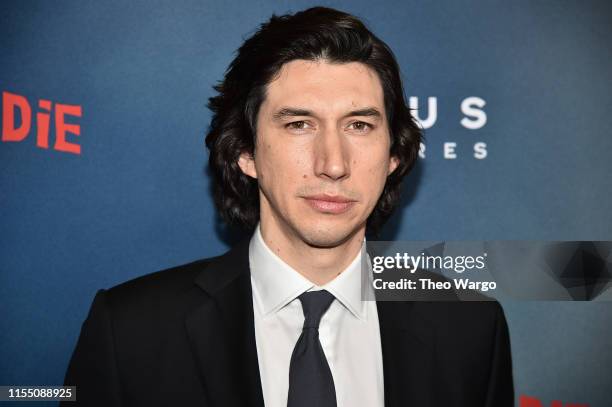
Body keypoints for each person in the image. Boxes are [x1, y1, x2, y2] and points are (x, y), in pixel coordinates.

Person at [62, 7, 513, 406]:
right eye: (299, 124)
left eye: (358, 125)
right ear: (245, 152)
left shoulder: (469, 326)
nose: (333, 164)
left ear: (393, 156)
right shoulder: (131, 332)